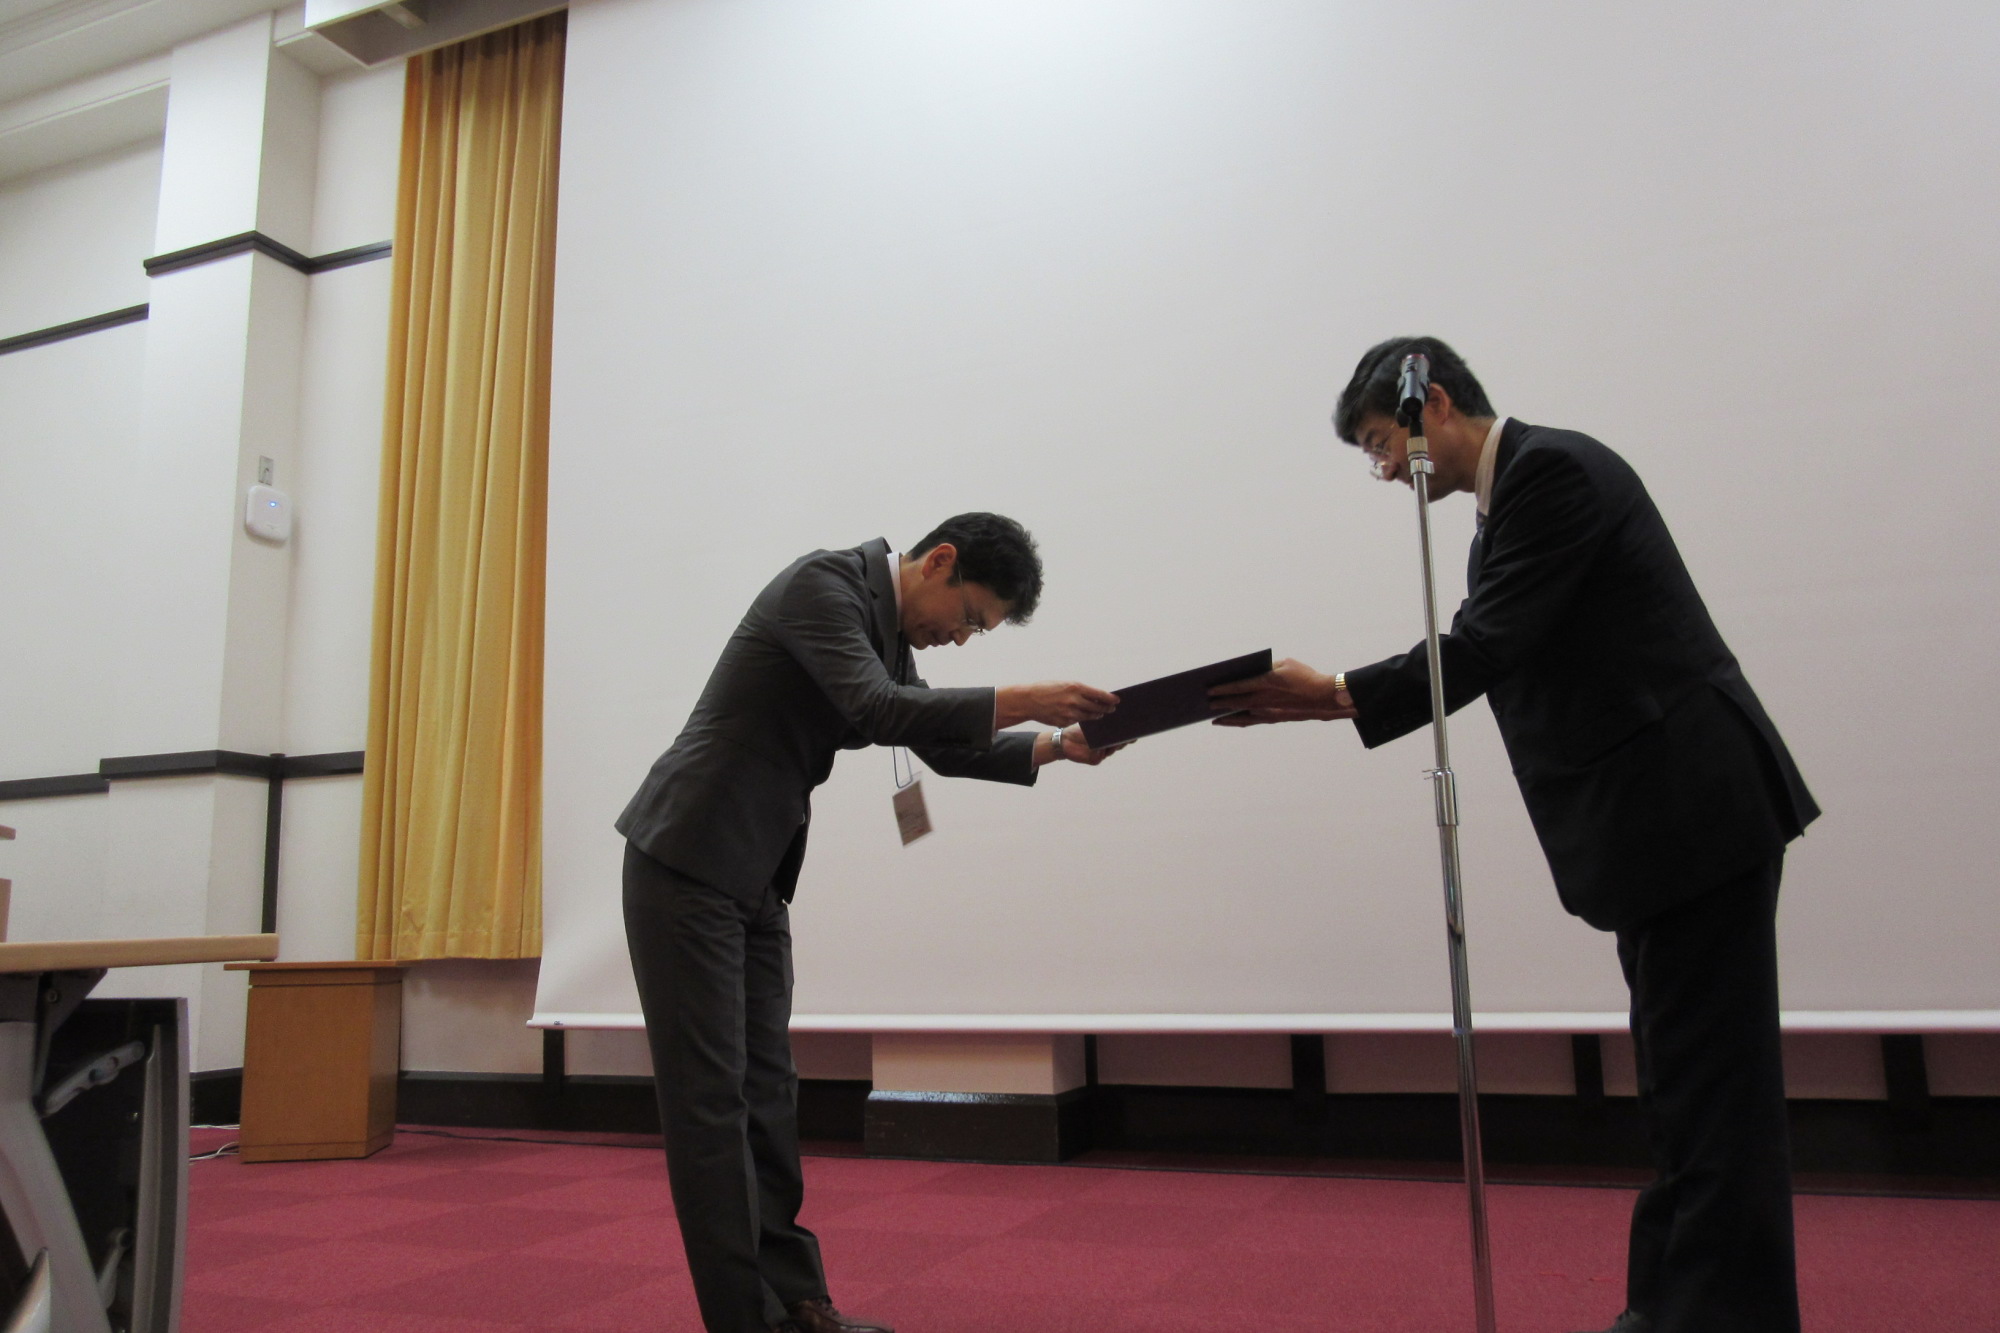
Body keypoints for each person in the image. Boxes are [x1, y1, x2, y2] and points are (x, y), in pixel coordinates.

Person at [1211, 338, 1819, 1333]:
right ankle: (1671, 1309)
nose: (1382, 471)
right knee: (1683, 1089)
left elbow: (1484, 647)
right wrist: (1327, 699)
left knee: (1713, 1095)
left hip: (1692, 816)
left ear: (1435, 404)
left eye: (1380, 443)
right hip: (1661, 832)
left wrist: (1331, 693)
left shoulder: (1552, 473)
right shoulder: (1505, 510)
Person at [617, 512, 1123, 1333]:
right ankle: (744, 1320)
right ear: (939, 561)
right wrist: (1023, 697)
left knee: (768, 1096)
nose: (963, 639)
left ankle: (799, 1304)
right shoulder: (824, 586)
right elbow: (881, 709)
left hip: (754, 875)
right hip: (688, 859)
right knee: (711, 1107)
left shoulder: (885, 629)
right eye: (971, 618)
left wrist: (1057, 745)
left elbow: (940, 742)